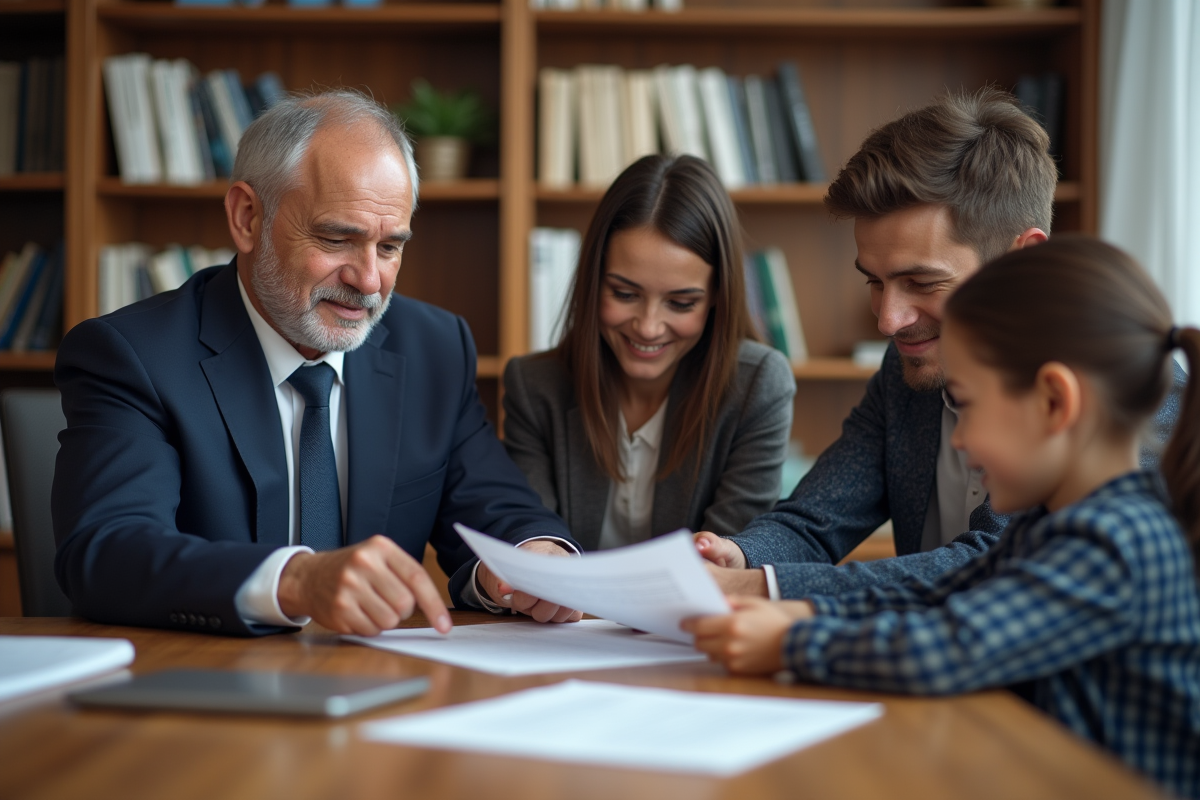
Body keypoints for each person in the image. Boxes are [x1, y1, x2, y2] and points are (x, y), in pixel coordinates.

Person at [52, 90, 581, 637]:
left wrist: (531, 560)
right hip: (201, 687)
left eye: (391, 247)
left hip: (377, 690)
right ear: (248, 217)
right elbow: (107, 551)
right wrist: (295, 580)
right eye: (336, 238)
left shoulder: (433, 347)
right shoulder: (133, 355)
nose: (369, 280)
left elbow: (498, 511)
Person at [684, 237, 1200, 798]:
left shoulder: (1118, 540)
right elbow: (934, 594)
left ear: (1054, 402)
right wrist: (796, 607)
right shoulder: (1052, 523)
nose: (961, 440)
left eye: (970, 406)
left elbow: (954, 645)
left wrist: (793, 641)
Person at [694, 88, 1184, 599]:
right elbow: (815, 518)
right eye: (874, 282)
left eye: (923, 283)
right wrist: (742, 556)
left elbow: (994, 565)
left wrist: (763, 587)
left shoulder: (1136, 395)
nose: (888, 320)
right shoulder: (906, 368)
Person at [503, 155, 795, 550]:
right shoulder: (535, 386)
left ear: (716, 299)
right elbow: (532, 534)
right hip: (568, 612)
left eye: (681, 303)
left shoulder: (758, 384)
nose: (648, 326)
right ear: (593, 282)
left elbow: (729, 556)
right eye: (625, 294)